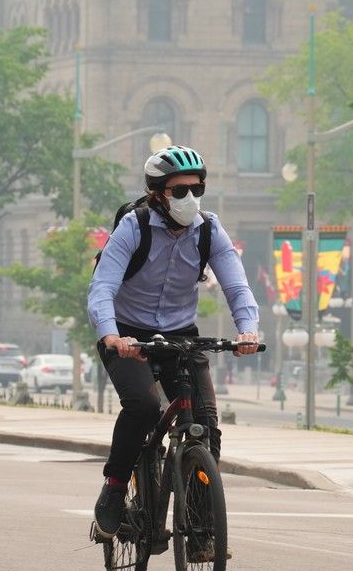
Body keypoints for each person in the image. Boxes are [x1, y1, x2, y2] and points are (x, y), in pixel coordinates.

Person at [87, 144, 259, 547]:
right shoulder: (135, 226)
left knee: (206, 427)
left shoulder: (210, 230)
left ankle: (201, 528)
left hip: (181, 334)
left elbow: (236, 285)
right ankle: (114, 486)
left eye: (196, 189)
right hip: (128, 334)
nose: (190, 199)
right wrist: (111, 335)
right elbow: (103, 287)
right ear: (158, 193)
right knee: (145, 407)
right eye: (179, 191)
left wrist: (247, 331)